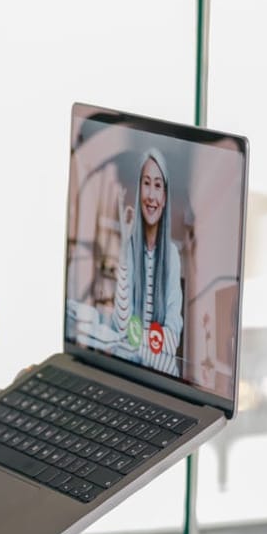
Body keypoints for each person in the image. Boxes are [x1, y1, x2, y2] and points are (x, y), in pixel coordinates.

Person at [112, 148, 185, 376]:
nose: (151, 195)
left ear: (164, 197)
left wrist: (134, 340)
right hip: (128, 373)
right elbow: (121, 324)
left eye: (157, 185)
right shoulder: (131, 249)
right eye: (146, 183)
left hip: (160, 378)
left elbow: (172, 340)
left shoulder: (172, 255)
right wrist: (124, 246)